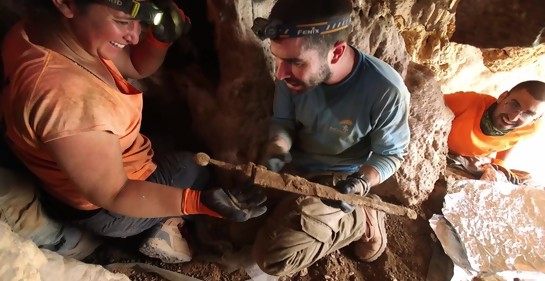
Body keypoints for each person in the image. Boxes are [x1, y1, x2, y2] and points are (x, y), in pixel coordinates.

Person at [0, 0, 267, 263]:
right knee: (191, 166)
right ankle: (165, 229)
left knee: (165, 139)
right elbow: (115, 193)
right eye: (123, 22)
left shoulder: (52, 32)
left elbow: (135, 66)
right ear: (66, 4)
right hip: (107, 210)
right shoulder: (67, 101)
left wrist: (159, 39)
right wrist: (197, 202)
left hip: (84, 170)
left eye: (141, 23)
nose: (135, 35)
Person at [250, 0, 410, 276]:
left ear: (336, 53)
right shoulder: (291, 74)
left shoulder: (385, 91)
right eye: (277, 58)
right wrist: (277, 148)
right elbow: (283, 121)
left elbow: (390, 154)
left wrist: (360, 183)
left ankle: (362, 218)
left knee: (271, 257)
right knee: (238, 220)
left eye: (294, 62)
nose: (280, 73)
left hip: (339, 182)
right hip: (296, 167)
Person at [445, 80, 545, 184]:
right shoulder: (466, 102)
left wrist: (500, 162)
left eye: (527, 114)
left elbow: (513, 139)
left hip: (475, 161)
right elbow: (429, 105)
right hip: (442, 154)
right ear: (502, 96)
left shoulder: (530, 127)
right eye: (513, 105)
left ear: (534, 119)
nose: (513, 117)